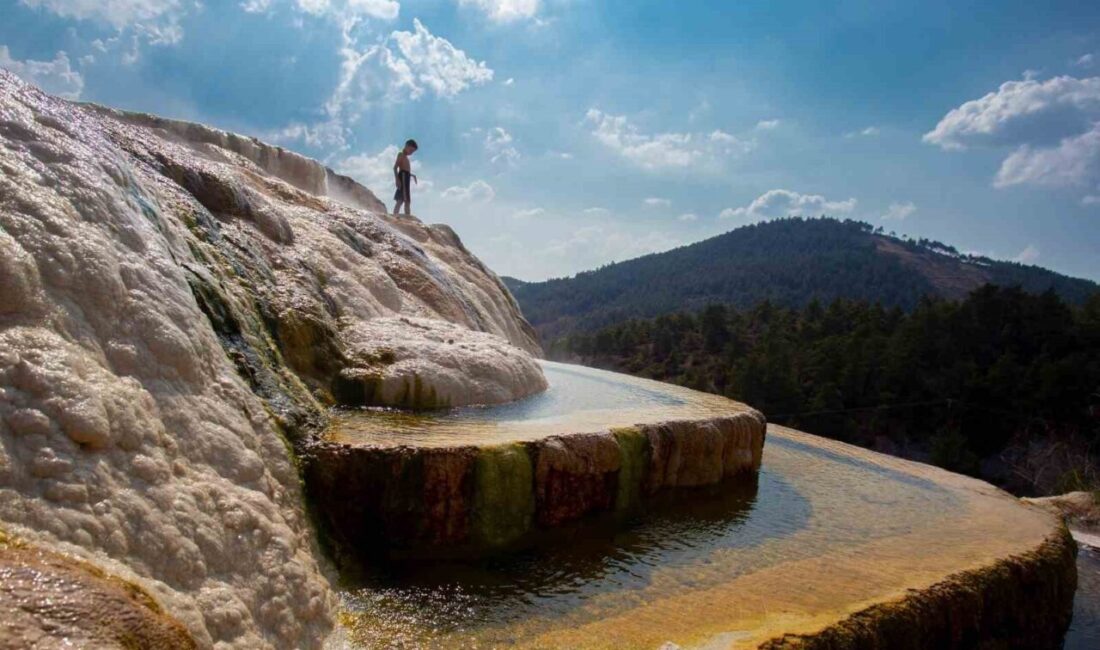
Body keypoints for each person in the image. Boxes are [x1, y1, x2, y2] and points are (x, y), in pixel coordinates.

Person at [392, 139, 418, 217]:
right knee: (402, 200)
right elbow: (395, 167)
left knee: (405, 200)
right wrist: (397, 180)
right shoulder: (401, 154)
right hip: (403, 177)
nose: (411, 153)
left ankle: (406, 217)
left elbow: (405, 169)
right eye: (411, 150)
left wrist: (411, 175)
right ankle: (396, 216)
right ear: (406, 146)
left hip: (406, 177)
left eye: (413, 152)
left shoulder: (405, 157)